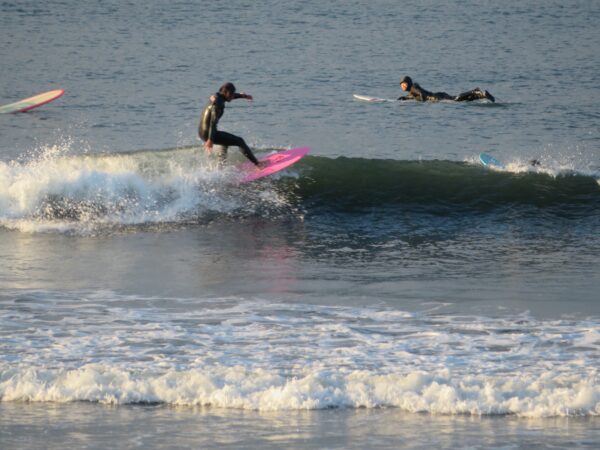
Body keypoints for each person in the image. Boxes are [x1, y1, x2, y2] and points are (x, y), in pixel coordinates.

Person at [198, 82, 263, 166]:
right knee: (240, 141)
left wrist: (243, 96)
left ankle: (221, 167)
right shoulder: (218, 103)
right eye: (231, 94)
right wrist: (210, 139)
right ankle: (258, 165)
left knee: (225, 142)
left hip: (202, 132)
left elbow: (231, 96)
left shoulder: (218, 97)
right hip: (208, 133)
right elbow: (213, 122)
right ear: (225, 93)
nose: (232, 97)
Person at [398, 76, 495, 103]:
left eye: (404, 84)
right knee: (463, 100)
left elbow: (420, 95)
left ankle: (475, 91)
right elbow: (413, 96)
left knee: (457, 99)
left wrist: (424, 103)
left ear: (409, 83)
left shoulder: (413, 88)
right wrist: (404, 98)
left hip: (437, 97)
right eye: (401, 85)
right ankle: (481, 94)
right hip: (438, 95)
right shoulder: (412, 89)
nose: (403, 86)